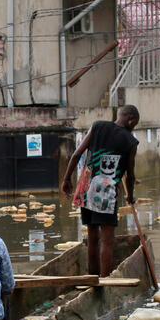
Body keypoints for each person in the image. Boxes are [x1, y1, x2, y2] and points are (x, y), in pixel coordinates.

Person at [60, 104, 140, 277]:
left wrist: (66, 179)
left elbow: (76, 154)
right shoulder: (131, 141)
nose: (134, 128)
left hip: (86, 186)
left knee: (92, 237)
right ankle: (104, 280)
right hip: (106, 191)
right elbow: (131, 175)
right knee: (107, 240)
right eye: (135, 124)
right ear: (131, 120)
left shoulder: (98, 126)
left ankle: (92, 277)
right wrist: (130, 196)